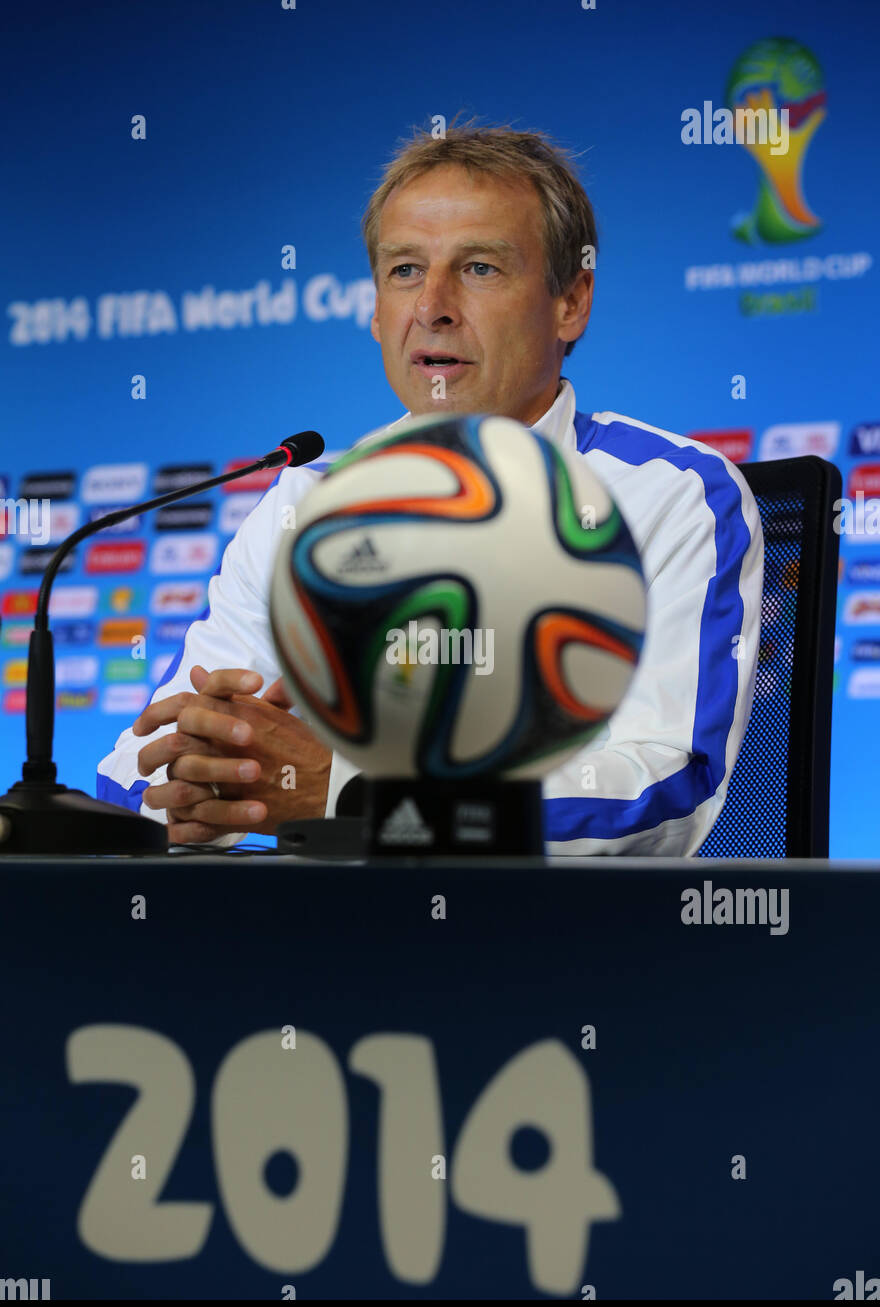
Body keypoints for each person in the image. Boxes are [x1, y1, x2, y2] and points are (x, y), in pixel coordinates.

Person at [97, 122, 764, 855]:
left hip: (551, 949)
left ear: (571, 301)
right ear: (377, 311)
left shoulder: (671, 497)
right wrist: (202, 786)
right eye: (405, 270)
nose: (433, 306)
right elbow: (140, 766)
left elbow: (663, 790)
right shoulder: (303, 501)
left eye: (479, 268)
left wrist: (351, 797)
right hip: (315, 944)